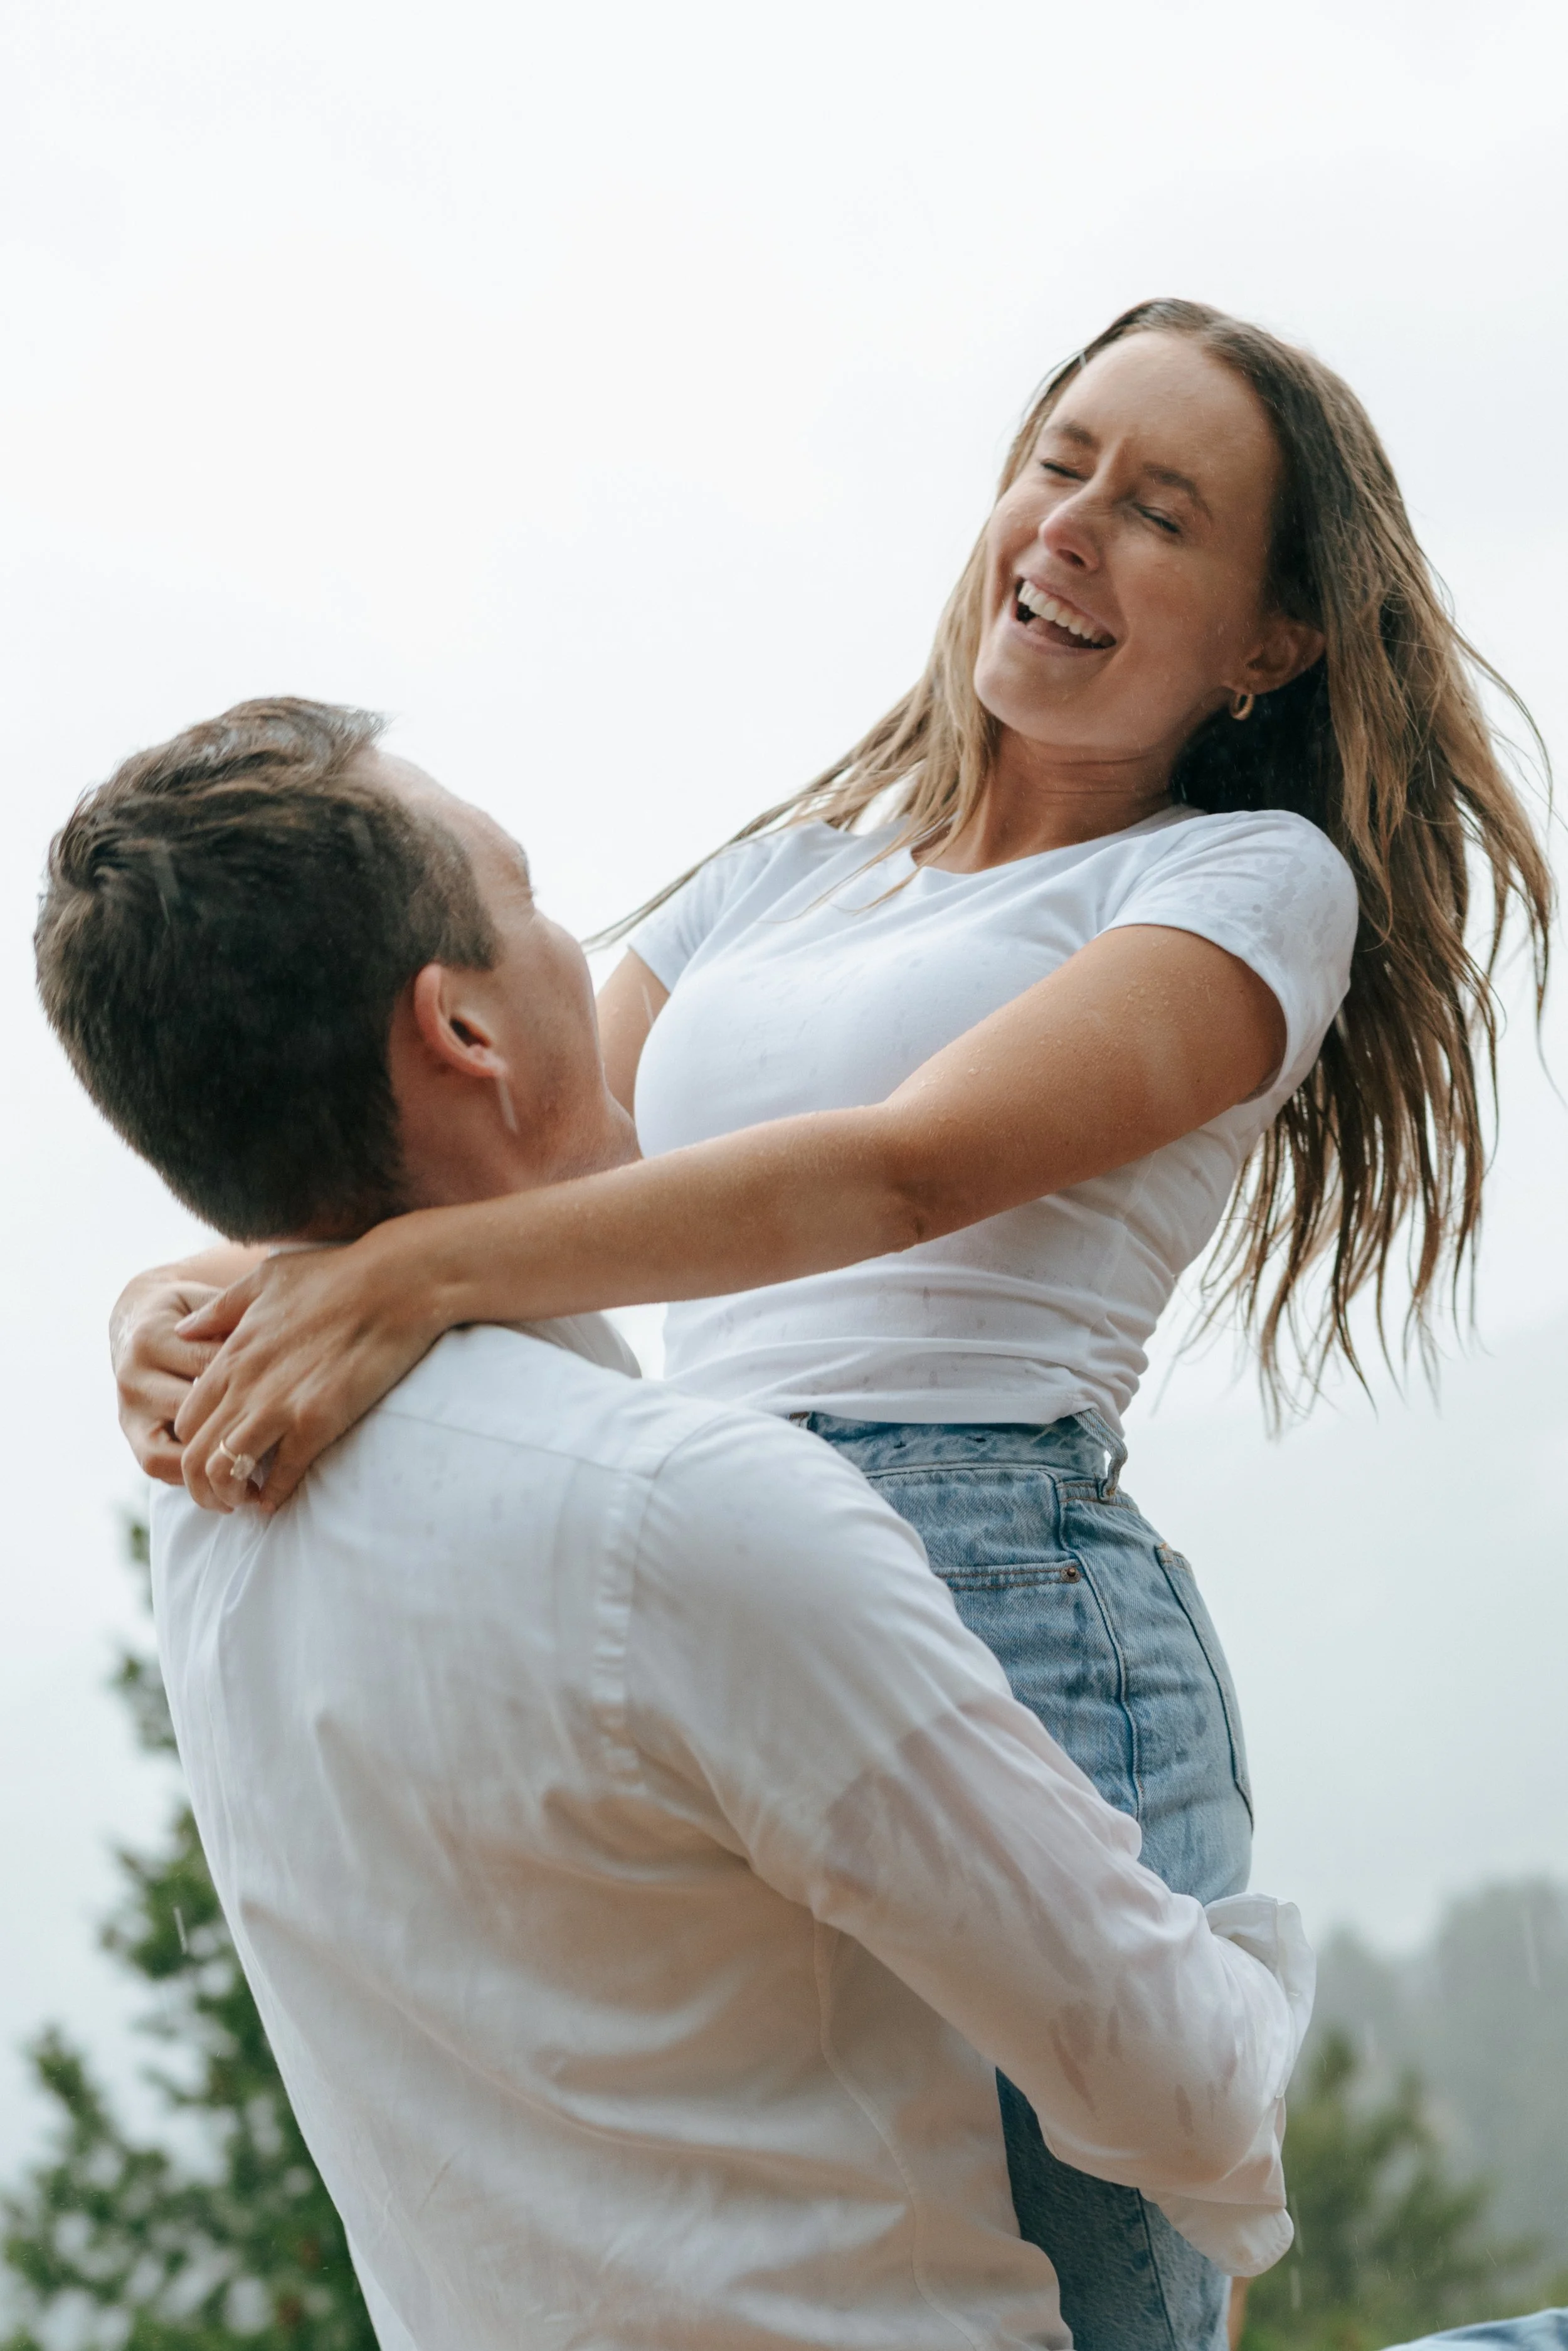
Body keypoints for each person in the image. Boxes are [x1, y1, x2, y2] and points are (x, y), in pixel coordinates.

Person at [111, 300, 1553, 2347]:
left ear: (1268, 642)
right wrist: (189, 1298)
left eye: (1159, 512)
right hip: (710, 1588)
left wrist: (400, 1285)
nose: (1069, 527)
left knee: (1085, 2300)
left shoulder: (1244, 885)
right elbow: (516, 1161)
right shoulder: (787, 875)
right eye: (1056, 463)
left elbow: (903, 1173)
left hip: (1011, 1600)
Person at [36, 701, 1313, 2351]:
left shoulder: (214, 1522)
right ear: (465, 1030)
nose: (582, 949)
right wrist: (1238, 1967)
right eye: (531, 898)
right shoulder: (688, 1520)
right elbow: (1189, 2092)